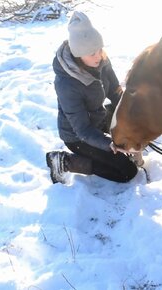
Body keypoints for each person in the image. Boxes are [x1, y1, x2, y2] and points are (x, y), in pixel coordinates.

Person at [46, 11, 142, 184]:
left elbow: (114, 91)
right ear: (78, 54)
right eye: (92, 53)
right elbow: (82, 130)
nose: (98, 55)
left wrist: (132, 113)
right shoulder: (67, 84)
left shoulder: (101, 60)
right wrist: (109, 144)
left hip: (98, 118)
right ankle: (64, 161)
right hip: (77, 136)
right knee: (127, 171)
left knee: (132, 134)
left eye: (99, 49)